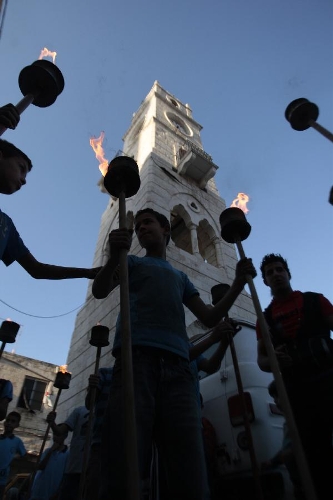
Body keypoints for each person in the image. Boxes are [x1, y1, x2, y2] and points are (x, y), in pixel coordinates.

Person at [92, 207, 256, 500]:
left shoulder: (180, 277)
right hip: (136, 364)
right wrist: (113, 257)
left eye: (148, 222)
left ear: (166, 229)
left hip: (179, 372)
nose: (141, 228)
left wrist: (238, 284)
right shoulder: (130, 263)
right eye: (138, 225)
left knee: (189, 469)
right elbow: (101, 289)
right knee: (124, 463)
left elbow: (209, 316)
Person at [256, 253, 333, 500]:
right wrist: (274, 360)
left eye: (279, 270)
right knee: (313, 454)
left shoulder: (315, 301)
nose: (276, 274)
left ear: (288, 273)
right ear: (265, 281)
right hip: (296, 391)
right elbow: (262, 361)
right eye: (270, 273)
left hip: (327, 379)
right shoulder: (264, 321)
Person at [0, 137, 100, 279]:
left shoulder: (5, 225)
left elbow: (37, 269)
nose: (24, 180)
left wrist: (87, 272)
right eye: (21, 168)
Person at [261, 380, 305, 500]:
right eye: (274, 397)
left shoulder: (296, 421)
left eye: (277, 396)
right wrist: (273, 461)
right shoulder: (287, 423)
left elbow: (292, 449)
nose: (275, 401)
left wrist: (276, 460)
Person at [46, 406, 89, 500]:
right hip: (73, 470)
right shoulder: (79, 411)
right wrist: (52, 423)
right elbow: (60, 431)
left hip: (92, 470)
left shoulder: (104, 409)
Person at [83, 367, 113, 500]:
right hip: (100, 442)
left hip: (124, 443)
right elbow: (89, 404)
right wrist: (92, 388)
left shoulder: (138, 375)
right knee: (94, 487)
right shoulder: (105, 373)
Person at [29, 431, 69, 500]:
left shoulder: (67, 454)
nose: (56, 438)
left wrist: (57, 493)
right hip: (37, 491)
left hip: (51, 493)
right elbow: (40, 467)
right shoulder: (47, 451)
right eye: (55, 435)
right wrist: (51, 451)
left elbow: (65, 477)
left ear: (65, 436)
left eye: (59, 435)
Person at [0, 411, 26, 500]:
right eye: (8, 420)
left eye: (13, 421)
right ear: (4, 422)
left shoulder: (17, 441)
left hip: (2, 480)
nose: (9, 423)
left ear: (17, 425)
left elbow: (24, 455)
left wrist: (15, 457)